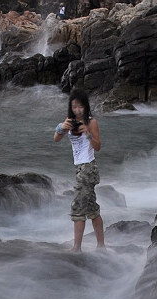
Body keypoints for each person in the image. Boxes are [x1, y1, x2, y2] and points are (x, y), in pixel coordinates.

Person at [53, 88, 104, 251]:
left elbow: (98, 147)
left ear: (86, 106)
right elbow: (56, 139)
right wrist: (62, 127)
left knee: (78, 207)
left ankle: (77, 248)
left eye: (80, 107)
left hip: (88, 168)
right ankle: (101, 246)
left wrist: (87, 133)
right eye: (74, 107)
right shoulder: (70, 121)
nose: (77, 110)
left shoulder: (91, 122)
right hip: (79, 168)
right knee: (92, 208)